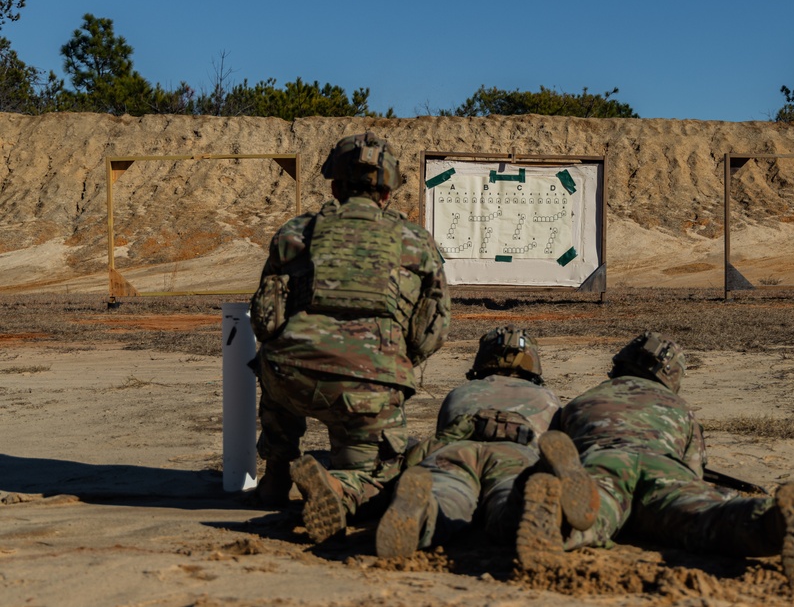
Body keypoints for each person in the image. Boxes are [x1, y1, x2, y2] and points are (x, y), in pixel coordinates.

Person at [248, 133, 450, 544]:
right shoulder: (416, 243)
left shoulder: (295, 233)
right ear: (388, 191)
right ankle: (341, 486)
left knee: (276, 359)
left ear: (335, 186)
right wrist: (390, 358)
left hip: (291, 380)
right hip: (368, 388)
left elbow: (265, 319)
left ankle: (276, 475)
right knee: (376, 474)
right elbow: (432, 332)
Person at [517, 332, 794, 588]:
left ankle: (558, 513)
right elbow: (694, 471)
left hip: (602, 459)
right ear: (671, 377)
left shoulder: (581, 401)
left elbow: (548, 450)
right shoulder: (679, 408)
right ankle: (769, 519)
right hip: (663, 464)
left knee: (595, 514)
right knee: (706, 516)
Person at [375, 325, 598, 558]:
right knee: (507, 497)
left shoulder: (461, 393)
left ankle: (425, 511)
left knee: (448, 496)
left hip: (457, 451)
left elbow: (442, 435)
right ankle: (522, 499)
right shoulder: (547, 398)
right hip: (513, 455)